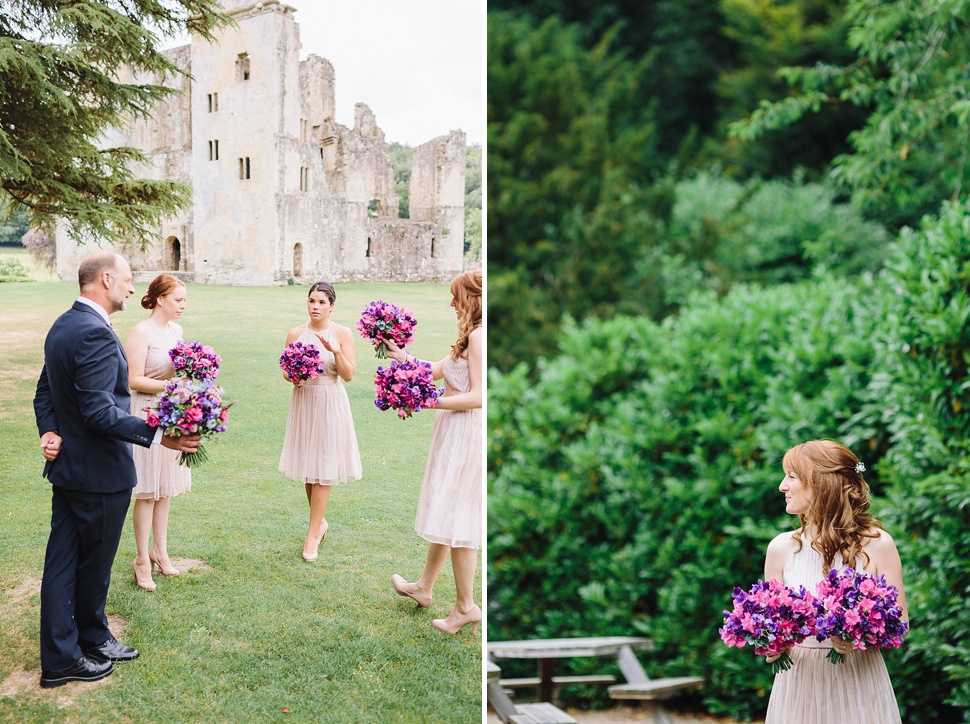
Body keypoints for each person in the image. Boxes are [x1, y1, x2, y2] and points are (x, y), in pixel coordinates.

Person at [33, 252, 200, 688]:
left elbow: (45, 390)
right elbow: (98, 412)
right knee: (91, 565)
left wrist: (48, 430)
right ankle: (66, 657)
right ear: (106, 279)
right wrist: (161, 434)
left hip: (70, 468)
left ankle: (90, 639)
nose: (130, 288)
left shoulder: (64, 324)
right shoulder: (94, 333)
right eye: (126, 280)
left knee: (64, 562)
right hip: (97, 473)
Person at [763, 439, 908, 723]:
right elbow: (773, 623)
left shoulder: (878, 545)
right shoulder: (780, 549)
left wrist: (857, 636)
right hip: (798, 690)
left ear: (820, 483)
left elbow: (900, 626)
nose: (782, 486)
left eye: (791, 476)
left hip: (859, 684)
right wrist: (771, 643)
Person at [384, 269, 483, 635]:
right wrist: (401, 356)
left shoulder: (481, 337)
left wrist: (429, 402)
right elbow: (437, 370)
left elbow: (478, 396)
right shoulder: (468, 337)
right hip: (453, 431)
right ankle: (425, 588)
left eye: (457, 296)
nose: (452, 302)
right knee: (446, 509)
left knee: (458, 518)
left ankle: (466, 607)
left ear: (472, 298)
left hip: (466, 433)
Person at [279, 281, 362, 561]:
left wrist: (336, 350)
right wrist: (294, 375)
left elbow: (348, 375)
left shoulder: (342, 333)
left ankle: (313, 533)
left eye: (321, 302)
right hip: (304, 400)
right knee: (308, 465)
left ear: (331, 305)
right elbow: (285, 371)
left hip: (329, 399)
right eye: (312, 301)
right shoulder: (295, 333)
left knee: (324, 466)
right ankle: (320, 523)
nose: (315, 306)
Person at [124, 274, 193, 591]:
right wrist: (173, 386)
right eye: (178, 299)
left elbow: (183, 368)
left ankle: (160, 551)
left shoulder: (176, 331)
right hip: (146, 412)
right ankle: (141, 559)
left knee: (165, 490)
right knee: (148, 491)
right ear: (161, 298)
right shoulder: (141, 332)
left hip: (171, 413)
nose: (182, 305)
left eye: (184, 299)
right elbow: (134, 380)